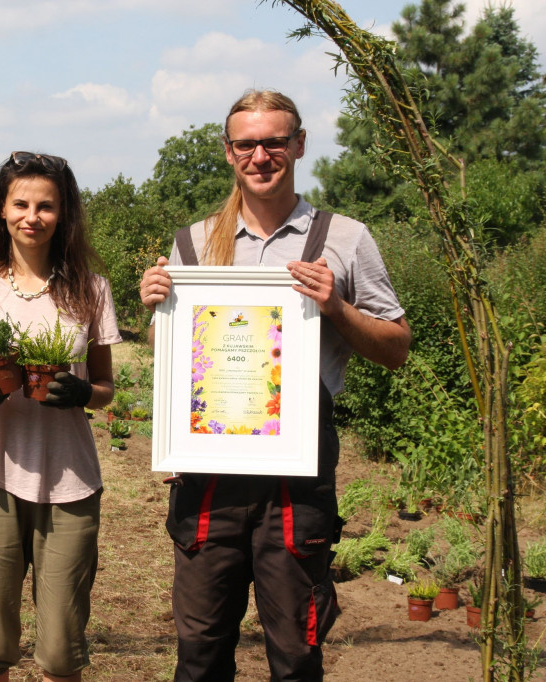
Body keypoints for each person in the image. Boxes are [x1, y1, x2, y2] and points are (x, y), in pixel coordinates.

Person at [139, 90, 411, 681]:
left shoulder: (346, 237)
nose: (260, 155)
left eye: (274, 142)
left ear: (299, 145)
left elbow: (396, 347)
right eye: (246, 144)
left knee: (294, 652)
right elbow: (179, 362)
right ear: (229, 151)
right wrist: (158, 313)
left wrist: (336, 307)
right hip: (209, 479)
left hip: (297, 479)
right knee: (201, 653)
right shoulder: (192, 243)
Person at [0, 151, 122, 681]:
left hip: (69, 477)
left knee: (62, 647)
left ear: (63, 213)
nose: (32, 216)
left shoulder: (91, 289)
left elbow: (106, 387)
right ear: (1, 208)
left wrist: (82, 392)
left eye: (46, 206)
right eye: (20, 203)